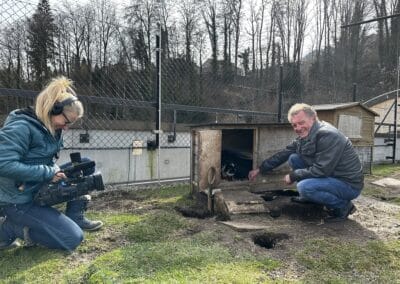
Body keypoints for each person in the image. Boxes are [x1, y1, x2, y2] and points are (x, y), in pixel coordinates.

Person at [0, 76, 103, 251]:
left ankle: (75, 216)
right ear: (53, 109)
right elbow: (4, 164)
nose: (67, 127)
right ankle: (9, 228)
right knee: (72, 238)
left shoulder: (51, 127)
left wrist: (52, 172)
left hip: (37, 186)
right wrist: (48, 172)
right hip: (17, 199)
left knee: (85, 165)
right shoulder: (21, 127)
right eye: (67, 122)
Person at [248, 103, 364, 222]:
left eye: (301, 123)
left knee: (304, 187)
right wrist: (260, 169)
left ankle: (343, 207)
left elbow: (321, 170)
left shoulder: (328, 135)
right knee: (293, 158)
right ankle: (311, 198)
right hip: (332, 175)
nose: (298, 128)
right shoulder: (306, 136)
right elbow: (285, 153)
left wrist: (294, 175)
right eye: (294, 125)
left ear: (313, 118)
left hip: (348, 184)